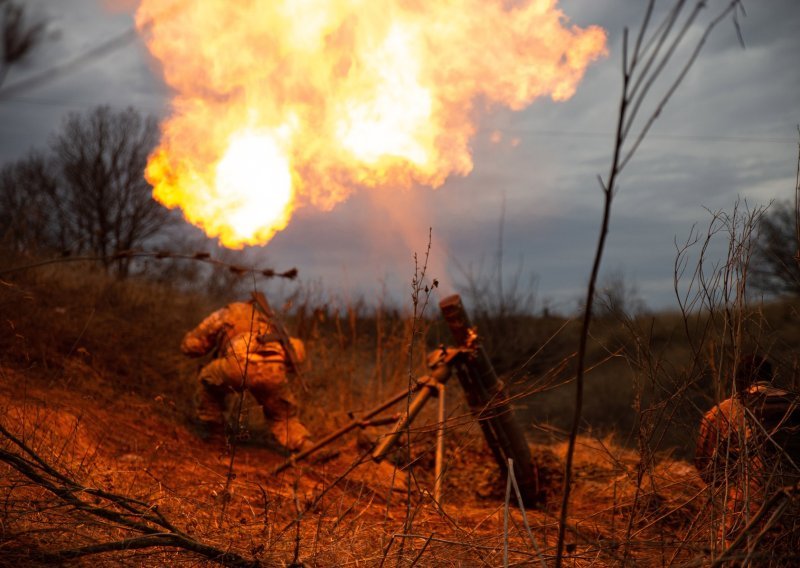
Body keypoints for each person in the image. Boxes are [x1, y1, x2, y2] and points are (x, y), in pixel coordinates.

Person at [181, 293, 312, 453]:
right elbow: (294, 357)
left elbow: (191, 347)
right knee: (283, 415)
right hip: (273, 369)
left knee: (206, 379)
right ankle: (305, 446)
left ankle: (215, 435)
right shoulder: (269, 320)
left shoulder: (227, 313)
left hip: (238, 366)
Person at [695, 354, 800, 549]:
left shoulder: (725, 411)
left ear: (739, 381)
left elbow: (706, 470)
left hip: (750, 518)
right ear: (770, 377)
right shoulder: (795, 403)